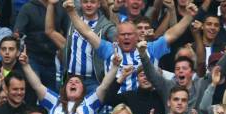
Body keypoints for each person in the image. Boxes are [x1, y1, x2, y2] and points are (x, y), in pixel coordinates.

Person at [63, 0, 197, 94]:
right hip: (115, 107)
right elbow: (87, 32)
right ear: (117, 37)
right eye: (123, 34)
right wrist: (71, 13)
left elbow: (172, 33)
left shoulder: (150, 48)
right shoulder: (109, 49)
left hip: (142, 105)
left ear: (137, 35)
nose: (126, 37)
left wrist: (189, 16)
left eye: (130, 34)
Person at [19, 43, 116, 114]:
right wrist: (26, 65)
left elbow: (104, 86)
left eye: (77, 82)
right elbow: (37, 86)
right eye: (70, 82)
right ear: (64, 88)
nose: (73, 83)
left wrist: (115, 67)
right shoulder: (54, 101)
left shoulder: (90, 102)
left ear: (83, 90)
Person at [45, 0, 116, 91]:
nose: (89, 5)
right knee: (67, 105)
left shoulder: (106, 26)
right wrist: (51, 4)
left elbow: (118, 39)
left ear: (99, 4)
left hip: (93, 82)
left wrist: (113, 7)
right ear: (80, 3)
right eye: (85, 2)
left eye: (93, 2)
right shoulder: (73, 18)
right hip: (70, 78)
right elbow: (49, 31)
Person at [14, 0, 68, 91]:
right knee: (33, 91)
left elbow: (69, 33)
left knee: (51, 94)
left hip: (51, 58)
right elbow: (17, 33)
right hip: (32, 57)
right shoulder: (27, 8)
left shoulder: (61, 8)